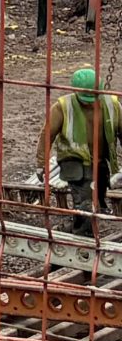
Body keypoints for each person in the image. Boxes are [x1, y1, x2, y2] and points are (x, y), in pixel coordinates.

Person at [39, 67, 120, 231]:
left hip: (100, 159)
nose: (89, 102)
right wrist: (41, 163)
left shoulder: (113, 105)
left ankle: (81, 225)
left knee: (96, 197)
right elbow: (47, 135)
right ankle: (84, 238)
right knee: (84, 200)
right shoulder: (63, 106)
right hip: (74, 160)